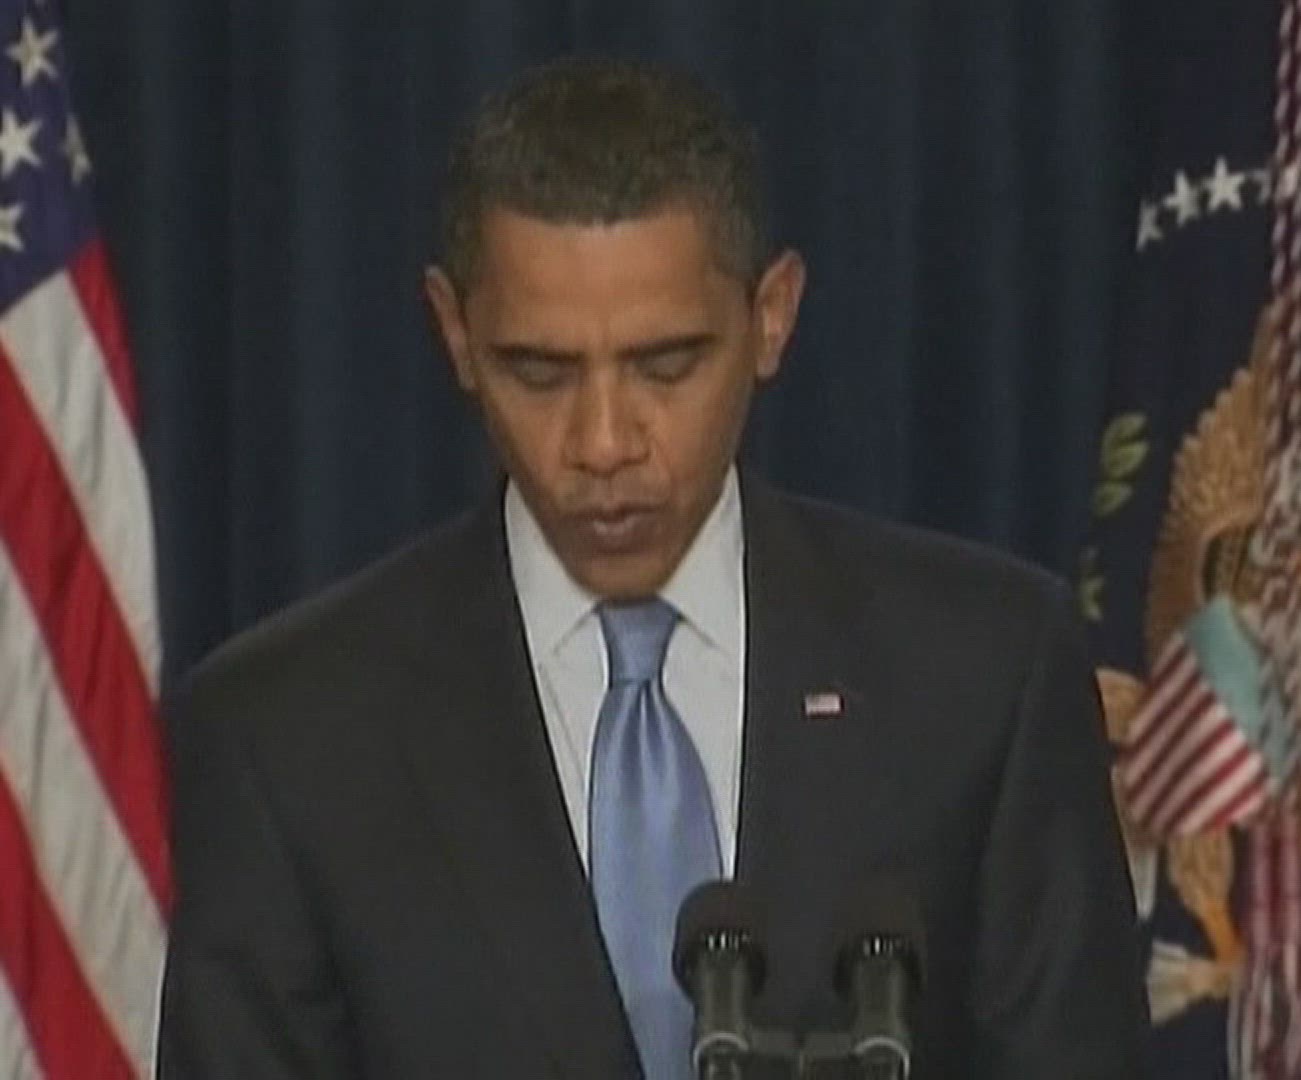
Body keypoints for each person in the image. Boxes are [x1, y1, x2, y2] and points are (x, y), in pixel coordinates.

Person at [159, 57, 1147, 1078]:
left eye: (666, 365)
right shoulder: (288, 734)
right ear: (455, 333)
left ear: (773, 315)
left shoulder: (984, 676)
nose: (603, 443)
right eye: (539, 371)